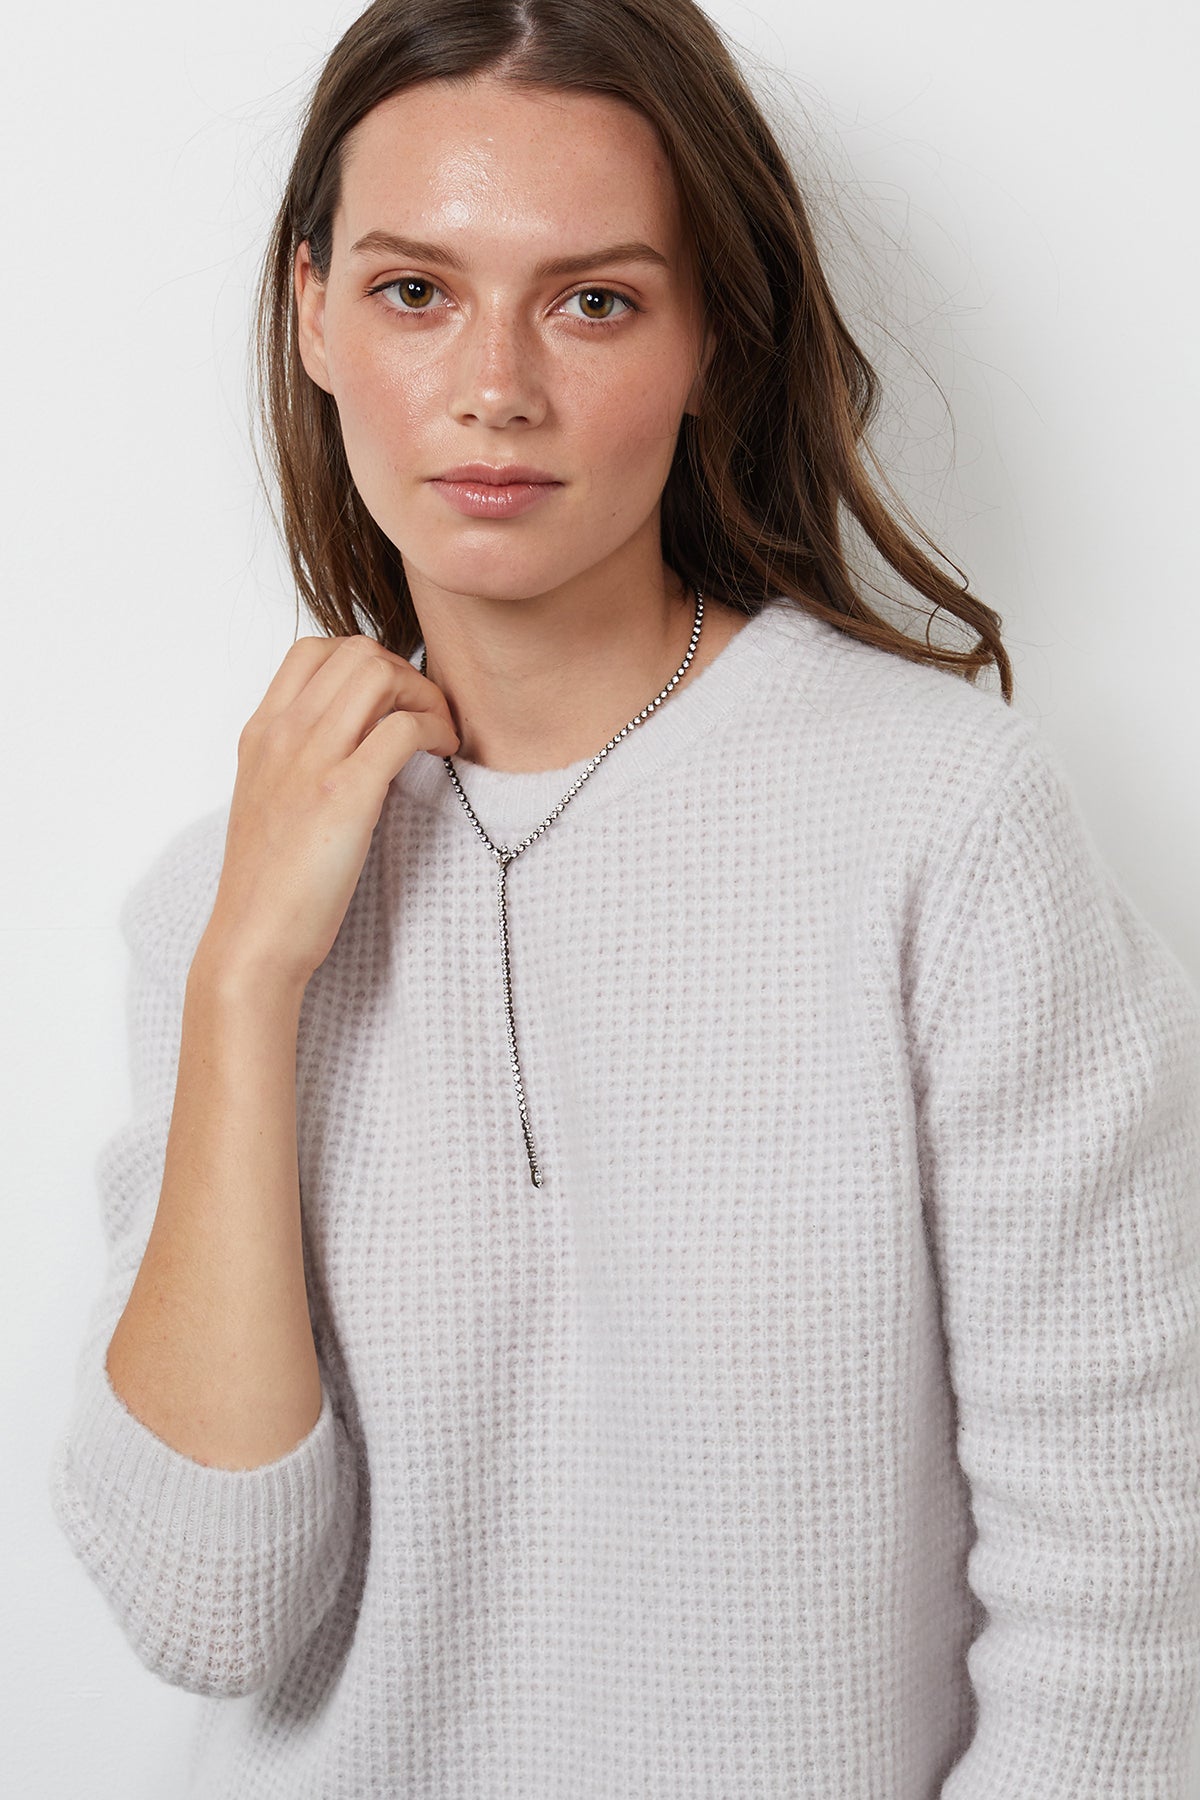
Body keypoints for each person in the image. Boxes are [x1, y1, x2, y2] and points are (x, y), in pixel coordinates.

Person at [48, 1, 1200, 1794]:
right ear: (314, 316)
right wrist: (244, 983)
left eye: (593, 298)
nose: (494, 384)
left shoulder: (937, 823)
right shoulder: (216, 903)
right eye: (416, 290)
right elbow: (211, 1615)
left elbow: (1124, 1579)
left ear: (711, 341)